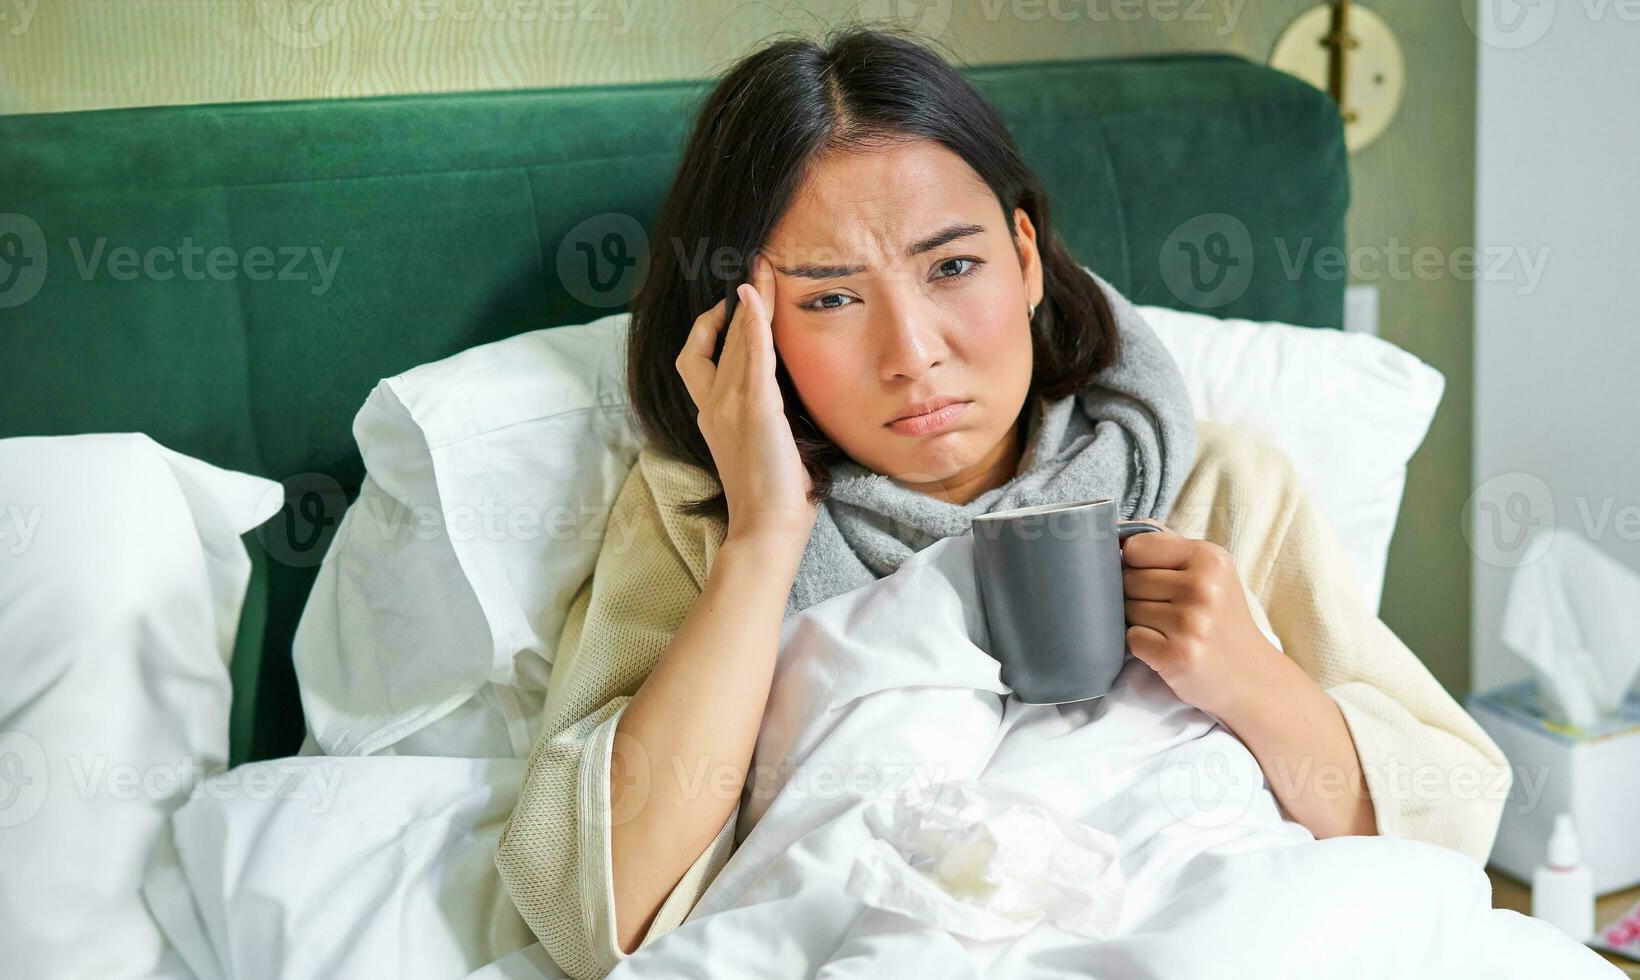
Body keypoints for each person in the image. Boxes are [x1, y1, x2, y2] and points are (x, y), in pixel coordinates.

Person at [494, 27, 1510, 980]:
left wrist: (1252, 679)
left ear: (1025, 257)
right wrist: (764, 536)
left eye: (953, 266)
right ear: (747, 325)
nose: (914, 352)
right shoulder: (697, 520)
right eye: (831, 297)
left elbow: (1447, 823)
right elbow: (599, 908)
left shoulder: (1213, 484)